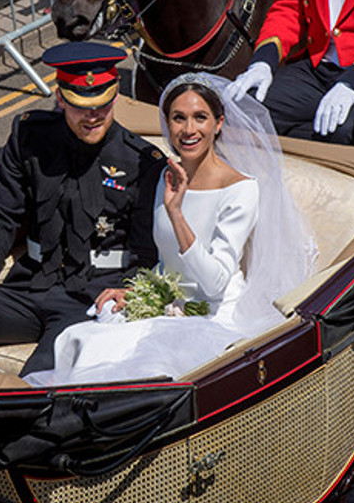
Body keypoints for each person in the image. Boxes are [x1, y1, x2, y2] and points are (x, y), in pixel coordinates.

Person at [24, 72, 317, 387]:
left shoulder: (241, 189)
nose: (189, 130)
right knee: (81, 338)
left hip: (213, 315)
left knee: (146, 364)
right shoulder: (165, 173)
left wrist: (176, 213)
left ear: (218, 124)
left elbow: (214, 282)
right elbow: (163, 261)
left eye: (200, 118)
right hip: (166, 305)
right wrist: (138, 291)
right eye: (179, 118)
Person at [0, 42, 166, 376]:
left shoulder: (142, 161)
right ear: (61, 97)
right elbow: (1, 212)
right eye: (82, 106)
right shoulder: (30, 136)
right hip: (30, 287)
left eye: (102, 105)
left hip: (91, 298)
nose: (93, 116)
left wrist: (129, 290)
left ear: (114, 95)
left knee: (37, 378)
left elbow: (149, 251)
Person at [226, 0, 354, 144]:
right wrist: (262, 63)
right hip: (317, 65)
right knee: (244, 112)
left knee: (343, 133)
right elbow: (290, 8)